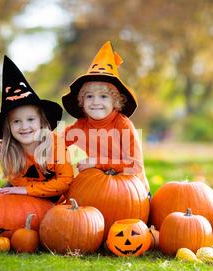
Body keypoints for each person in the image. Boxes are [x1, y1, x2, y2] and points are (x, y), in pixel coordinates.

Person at [61, 41, 150, 193]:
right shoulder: (81, 126)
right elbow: (55, 143)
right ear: (81, 101)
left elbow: (135, 165)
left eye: (103, 96)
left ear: (115, 101)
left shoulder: (123, 125)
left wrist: (96, 162)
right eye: (89, 96)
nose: (95, 102)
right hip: (99, 188)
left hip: (131, 190)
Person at [0, 55, 73, 202]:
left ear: (41, 121)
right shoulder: (10, 152)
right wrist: (24, 190)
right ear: (8, 127)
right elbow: (18, 184)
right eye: (16, 121)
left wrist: (27, 190)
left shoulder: (55, 144)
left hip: (55, 203)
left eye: (30, 119)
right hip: (27, 200)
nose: (24, 126)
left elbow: (65, 181)